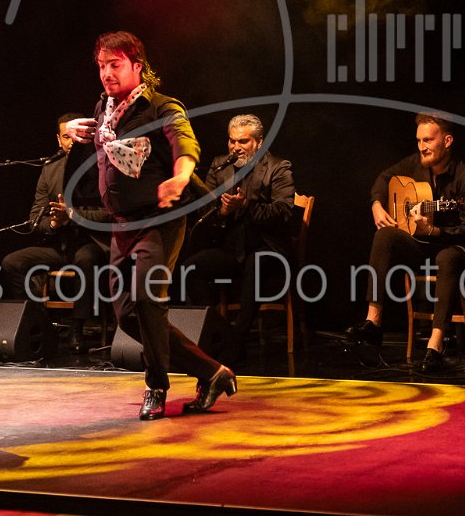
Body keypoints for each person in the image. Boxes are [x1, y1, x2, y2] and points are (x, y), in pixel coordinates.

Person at [66, 30, 236, 420]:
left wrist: (181, 176)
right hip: (121, 226)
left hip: (159, 221)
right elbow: (104, 139)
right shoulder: (104, 109)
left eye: (115, 65)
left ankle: (156, 386)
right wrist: (74, 132)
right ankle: (213, 372)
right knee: (127, 315)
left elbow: (184, 143)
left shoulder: (161, 107)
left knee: (147, 300)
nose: (107, 73)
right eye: (102, 66)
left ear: (137, 67)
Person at [344, 112, 465, 374]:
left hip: (462, 250)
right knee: (385, 235)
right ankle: (373, 322)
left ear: (447, 141)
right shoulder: (414, 165)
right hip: (427, 246)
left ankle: (435, 345)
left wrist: (433, 230)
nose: (422, 146)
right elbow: (383, 179)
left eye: (428, 140)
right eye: (419, 140)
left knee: (447, 256)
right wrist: (376, 204)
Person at [178, 113, 298, 370]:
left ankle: (237, 342)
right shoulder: (219, 166)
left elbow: (283, 213)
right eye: (232, 141)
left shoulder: (278, 167)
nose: (235, 147)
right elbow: (204, 212)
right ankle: (213, 336)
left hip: (268, 246)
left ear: (259, 142)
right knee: (191, 267)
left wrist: (244, 207)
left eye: (243, 141)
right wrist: (222, 212)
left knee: (256, 263)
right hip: (233, 248)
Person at [0, 112, 110, 343]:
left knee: (85, 260)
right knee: (12, 263)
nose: (71, 142)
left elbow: (110, 214)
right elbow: (35, 218)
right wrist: (53, 223)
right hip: (60, 244)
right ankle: (38, 322)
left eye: (76, 137)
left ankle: (77, 328)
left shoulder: (102, 166)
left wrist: (70, 216)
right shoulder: (50, 169)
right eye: (66, 137)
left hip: (93, 242)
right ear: (59, 140)